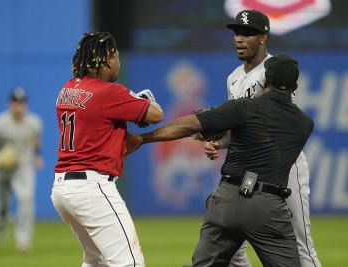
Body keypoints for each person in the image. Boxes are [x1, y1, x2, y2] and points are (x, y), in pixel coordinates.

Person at [127, 53, 313, 266]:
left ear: (265, 80)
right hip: (268, 205)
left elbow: (191, 125)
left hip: (227, 199)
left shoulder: (243, 107)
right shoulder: (304, 124)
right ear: (295, 85)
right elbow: (262, 132)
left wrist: (142, 138)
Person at [204, 10, 321, 267]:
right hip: (245, 169)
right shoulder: (233, 78)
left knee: (301, 246)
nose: (239, 38)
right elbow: (243, 129)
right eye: (237, 32)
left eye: (247, 33)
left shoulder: (277, 73)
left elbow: (277, 124)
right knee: (232, 248)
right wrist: (220, 142)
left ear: (264, 38)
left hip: (283, 168)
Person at [51, 32, 163, 267]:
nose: (118, 62)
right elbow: (156, 114)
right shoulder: (110, 92)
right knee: (130, 263)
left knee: (96, 261)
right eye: (117, 56)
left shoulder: (68, 89)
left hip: (63, 188)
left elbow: (96, 124)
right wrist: (135, 98)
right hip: (92, 188)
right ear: (109, 60)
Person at [0, 87, 43, 251]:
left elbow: (36, 138)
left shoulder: (34, 122)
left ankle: (23, 241)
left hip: (23, 166)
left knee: (26, 200)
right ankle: (1, 225)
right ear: (10, 104)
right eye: (15, 103)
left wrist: (36, 155)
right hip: (2, 168)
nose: (18, 106)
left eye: (21, 103)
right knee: (2, 205)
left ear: (25, 105)